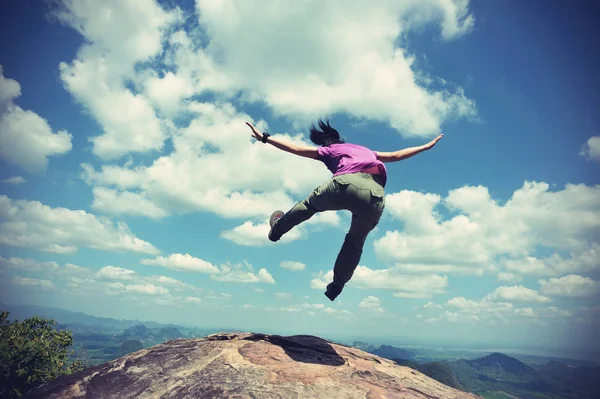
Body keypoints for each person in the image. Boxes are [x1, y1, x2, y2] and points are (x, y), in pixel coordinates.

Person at [245, 119, 443, 301]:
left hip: (344, 183)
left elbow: (296, 149)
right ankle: (336, 287)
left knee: (308, 206)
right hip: (374, 194)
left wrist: (265, 138)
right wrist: (425, 146)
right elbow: (396, 155)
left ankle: (276, 230)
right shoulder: (367, 151)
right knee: (354, 243)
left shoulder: (330, 150)